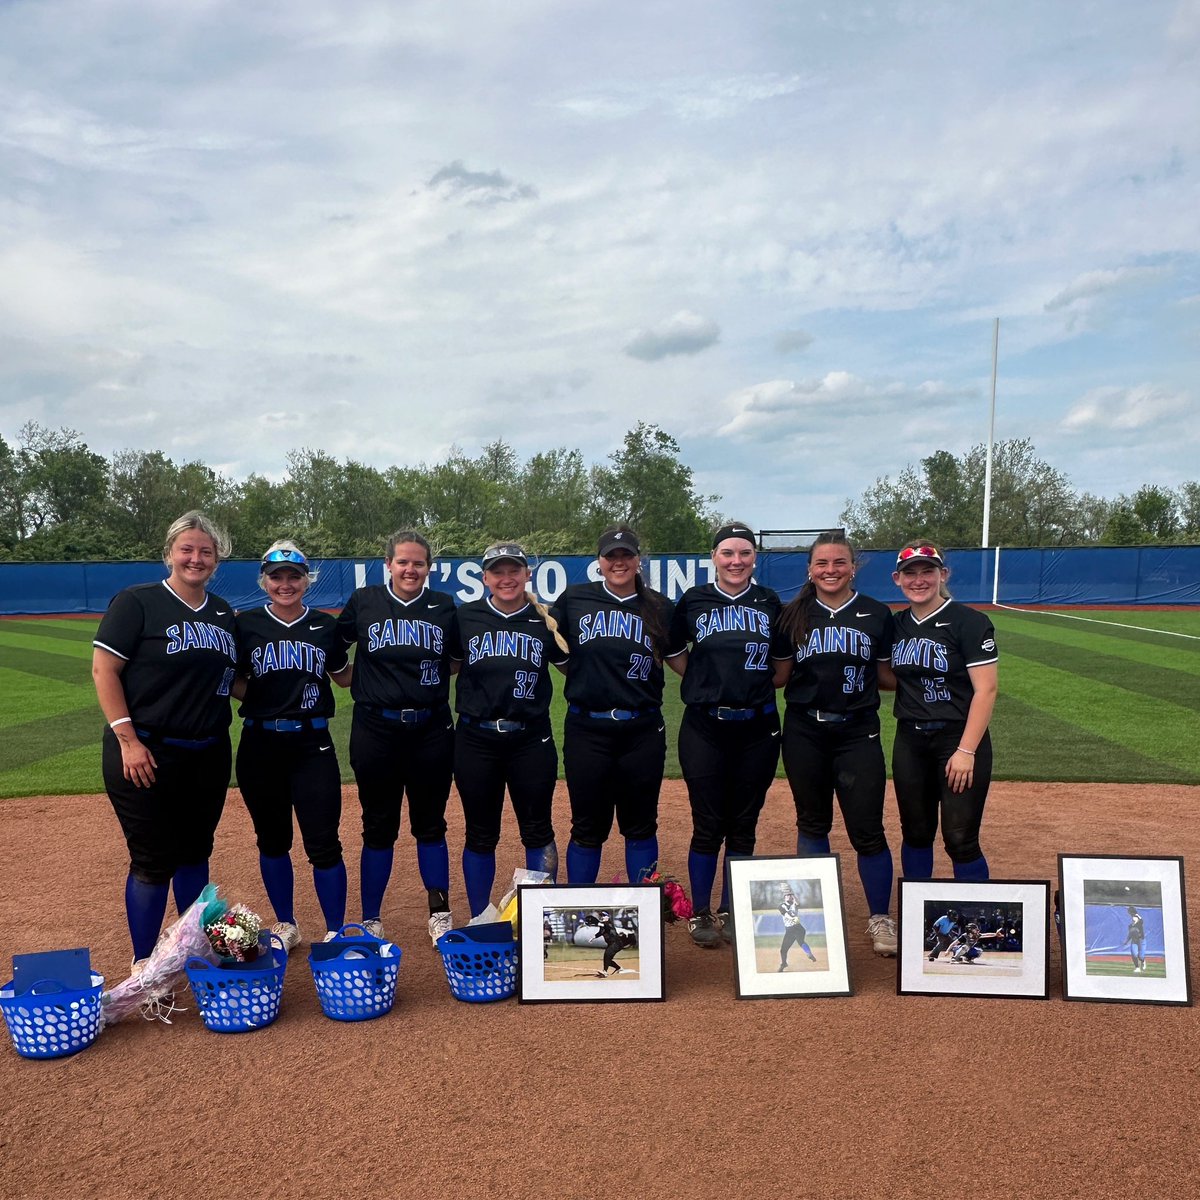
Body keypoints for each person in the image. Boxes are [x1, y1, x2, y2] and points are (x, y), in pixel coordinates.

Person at [91, 511, 238, 966]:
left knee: (195, 854)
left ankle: (190, 955)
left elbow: (233, 682)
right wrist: (128, 740)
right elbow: (104, 670)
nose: (196, 558)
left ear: (216, 560)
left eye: (206, 551)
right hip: (146, 752)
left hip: (208, 753)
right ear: (170, 553)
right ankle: (145, 967)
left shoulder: (223, 613)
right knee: (153, 861)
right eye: (187, 549)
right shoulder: (137, 602)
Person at [665, 523, 790, 948]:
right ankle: (700, 912)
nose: (736, 561)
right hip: (705, 725)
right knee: (707, 823)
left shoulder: (769, 602)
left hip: (757, 726)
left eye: (744, 553)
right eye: (728, 553)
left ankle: (731, 908)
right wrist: (703, 680)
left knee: (743, 824)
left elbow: (782, 667)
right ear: (714, 557)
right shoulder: (695, 599)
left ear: (754, 557)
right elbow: (674, 650)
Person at [775, 531, 898, 956]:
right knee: (812, 824)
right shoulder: (792, 615)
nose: (831, 570)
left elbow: (886, 676)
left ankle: (880, 917)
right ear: (810, 570)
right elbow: (779, 676)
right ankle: (814, 917)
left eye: (839, 562)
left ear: (853, 567)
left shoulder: (876, 614)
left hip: (857, 732)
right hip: (804, 730)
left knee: (867, 828)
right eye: (822, 563)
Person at [336, 530, 458, 945]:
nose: (410, 569)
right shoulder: (365, 601)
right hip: (376, 728)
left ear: (429, 567)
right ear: (387, 564)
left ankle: (439, 912)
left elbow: (455, 660)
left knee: (431, 824)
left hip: (430, 728)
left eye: (418, 563)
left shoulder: (443, 606)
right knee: (378, 825)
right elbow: (333, 649)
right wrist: (352, 679)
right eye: (402, 561)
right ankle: (371, 918)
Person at [233, 541, 352, 952]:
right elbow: (232, 680)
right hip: (260, 743)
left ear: (306, 580)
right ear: (264, 581)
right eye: (277, 577)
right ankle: (286, 923)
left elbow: (343, 677)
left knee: (324, 842)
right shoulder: (246, 625)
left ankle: (335, 929)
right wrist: (263, 698)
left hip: (312, 744)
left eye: (294, 577)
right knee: (272, 840)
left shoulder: (324, 626)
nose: (285, 584)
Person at [449, 542, 569, 917]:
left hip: (530, 738)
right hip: (476, 738)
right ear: (485, 578)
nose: (506, 578)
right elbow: (445, 666)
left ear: (527, 574)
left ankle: (540, 915)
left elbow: (574, 667)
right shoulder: (465, 617)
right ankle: (480, 916)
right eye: (497, 571)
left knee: (538, 829)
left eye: (514, 570)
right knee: (480, 832)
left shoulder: (544, 620)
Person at [550, 526, 674, 886]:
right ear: (599, 561)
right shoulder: (575, 599)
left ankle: (644, 904)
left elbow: (678, 656)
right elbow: (553, 647)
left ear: (638, 560)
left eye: (626, 555)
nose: (619, 562)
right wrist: (582, 675)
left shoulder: (659, 606)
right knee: (587, 826)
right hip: (588, 728)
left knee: (641, 824)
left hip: (642, 729)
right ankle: (579, 904)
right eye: (611, 556)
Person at [890, 542, 998, 882]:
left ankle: (975, 911)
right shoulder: (896, 625)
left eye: (928, 571)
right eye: (910, 573)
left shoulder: (969, 622)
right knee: (915, 832)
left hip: (957, 737)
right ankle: (916, 905)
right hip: (911, 740)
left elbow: (986, 690)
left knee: (960, 839)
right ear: (897, 579)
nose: (919, 580)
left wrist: (966, 751)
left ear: (943, 575)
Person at [778, 885, 818, 970]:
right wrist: (793, 917)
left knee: (800, 941)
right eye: (787, 895)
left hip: (798, 928)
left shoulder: (794, 904)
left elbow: (797, 903)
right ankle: (784, 964)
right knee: (783, 950)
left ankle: (809, 954)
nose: (789, 896)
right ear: (784, 898)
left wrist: (792, 893)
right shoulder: (781, 906)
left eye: (790, 895)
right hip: (789, 930)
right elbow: (787, 914)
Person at [1126, 905, 1147, 973]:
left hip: (1141, 940)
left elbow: (1141, 920)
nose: (1134, 918)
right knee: (1134, 954)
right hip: (1134, 941)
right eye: (1133, 917)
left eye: (1135, 917)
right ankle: (1137, 968)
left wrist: (1136, 914)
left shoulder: (1139, 923)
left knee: (1141, 956)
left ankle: (1143, 961)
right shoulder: (1130, 926)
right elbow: (1130, 935)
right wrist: (1126, 941)